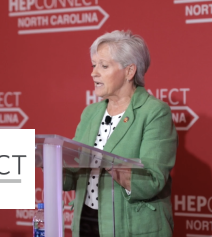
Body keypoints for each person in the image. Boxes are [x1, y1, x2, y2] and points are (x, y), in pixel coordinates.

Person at [63, 30, 178, 237]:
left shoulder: (154, 112)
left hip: (131, 227)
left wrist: (106, 161)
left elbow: (153, 181)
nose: (94, 73)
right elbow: (71, 177)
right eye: (94, 65)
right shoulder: (91, 113)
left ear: (129, 71)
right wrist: (51, 160)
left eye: (104, 66)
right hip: (87, 222)